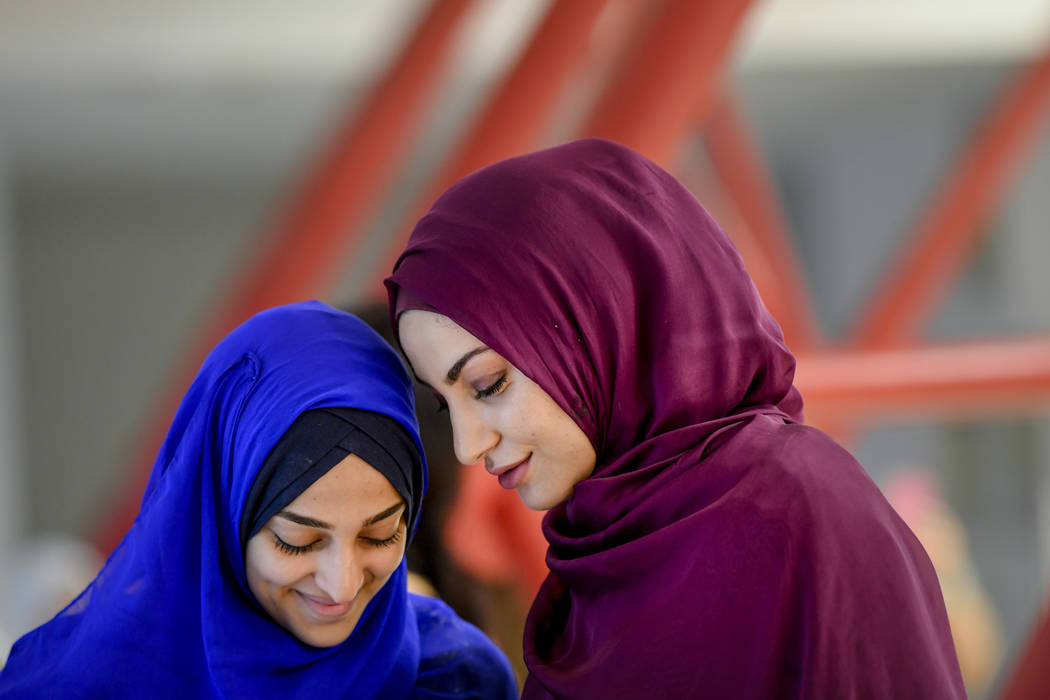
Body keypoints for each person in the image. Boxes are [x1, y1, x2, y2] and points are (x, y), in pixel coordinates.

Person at [385, 139, 967, 698]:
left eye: (489, 385)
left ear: (605, 327)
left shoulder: (790, 512)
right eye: (444, 403)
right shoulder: (605, 551)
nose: (466, 446)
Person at [0, 301, 517, 699]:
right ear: (220, 523)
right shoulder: (85, 685)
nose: (341, 583)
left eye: (380, 534)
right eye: (297, 542)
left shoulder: (451, 677)